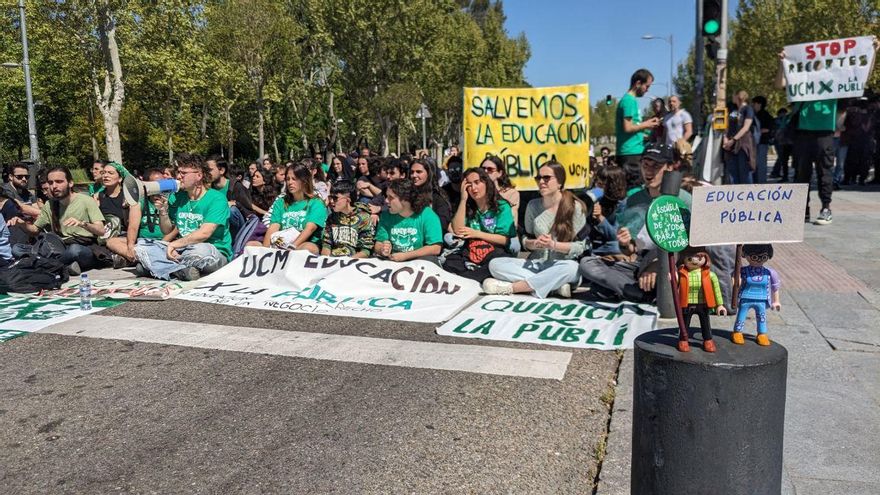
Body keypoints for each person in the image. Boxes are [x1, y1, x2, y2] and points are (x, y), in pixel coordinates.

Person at [774, 38, 879, 223]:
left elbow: (860, 78)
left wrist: (873, 53)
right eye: (813, 65)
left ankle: (825, 208)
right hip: (803, 134)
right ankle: (802, 209)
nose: (816, 68)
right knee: (801, 174)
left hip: (824, 134)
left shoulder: (834, 86)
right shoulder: (802, 85)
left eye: (819, 65)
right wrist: (782, 62)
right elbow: (779, 84)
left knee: (825, 172)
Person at [580, 143, 692, 302]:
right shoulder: (633, 200)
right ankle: (638, 292)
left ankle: (626, 290)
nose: (649, 171)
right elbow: (632, 250)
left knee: (600, 287)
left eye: (656, 166)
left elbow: (692, 247)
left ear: (669, 168)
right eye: (645, 165)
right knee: (587, 264)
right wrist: (625, 244)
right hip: (640, 265)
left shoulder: (684, 200)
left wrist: (657, 264)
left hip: (673, 263)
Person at [483, 161, 586, 299]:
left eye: (547, 178)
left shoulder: (576, 207)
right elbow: (525, 240)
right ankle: (554, 286)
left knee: (574, 269)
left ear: (560, 182)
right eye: (538, 178)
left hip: (561, 264)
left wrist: (553, 245)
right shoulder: (533, 205)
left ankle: (513, 288)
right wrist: (534, 243)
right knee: (495, 264)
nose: (541, 182)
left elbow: (580, 247)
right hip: (536, 264)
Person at [134, 153, 232, 281]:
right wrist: (163, 212)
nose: (178, 177)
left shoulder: (217, 199)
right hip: (182, 248)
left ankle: (159, 268)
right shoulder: (177, 197)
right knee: (142, 246)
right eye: (178, 172)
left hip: (211, 250)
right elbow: (167, 231)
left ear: (199, 175)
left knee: (198, 251)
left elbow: (204, 233)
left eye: (183, 173)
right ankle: (180, 270)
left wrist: (174, 245)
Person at [7, 166, 105, 275]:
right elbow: (35, 230)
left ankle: (45, 265)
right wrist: (22, 224)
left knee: (74, 251)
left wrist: (82, 224)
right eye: (51, 182)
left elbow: (101, 230)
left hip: (83, 247)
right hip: (58, 248)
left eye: (59, 182)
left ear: (70, 183)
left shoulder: (86, 201)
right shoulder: (50, 204)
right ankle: (62, 266)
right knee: (17, 249)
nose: (54, 186)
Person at [443, 167, 515, 281]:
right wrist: (463, 200)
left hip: (494, 251)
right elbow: (457, 230)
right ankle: (472, 277)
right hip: (470, 250)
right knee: (450, 263)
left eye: (477, 183)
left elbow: (504, 240)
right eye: (469, 185)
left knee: (497, 264)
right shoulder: (467, 206)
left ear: (486, 183)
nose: (473, 188)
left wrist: (477, 234)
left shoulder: (502, 206)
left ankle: (468, 279)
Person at [258, 162, 327, 254]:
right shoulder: (281, 202)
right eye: (288, 179)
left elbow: (310, 228)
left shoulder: (316, 203)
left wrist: (292, 247)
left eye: (294, 179)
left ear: (304, 180)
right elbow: (273, 227)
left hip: (305, 244)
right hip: (280, 243)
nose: (290, 182)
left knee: (305, 248)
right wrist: (265, 251)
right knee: (251, 245)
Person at [373, 178, 442, 263]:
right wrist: (382, 249)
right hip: (393, 261)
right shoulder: (386, 215)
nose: (386, 201)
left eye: (391, 197)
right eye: (387, 196)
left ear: (405, 199)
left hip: (420, 263)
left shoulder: (427, 215)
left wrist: (405, 256)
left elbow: (435, 248)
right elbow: (378, 243)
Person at [616, 69, 660, 189]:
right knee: (634, 191)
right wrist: (647, 124)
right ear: (638, 83)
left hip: (633, 151)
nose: (647, 90)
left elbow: (632, 128)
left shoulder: (630, 101)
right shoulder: (628, 101)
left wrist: (646, 130)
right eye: (647, 86)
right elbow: (628, 127)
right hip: (630, 153)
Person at [97, 162, 139, 268]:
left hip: (125, 237)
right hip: (105, 237)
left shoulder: (128, 196)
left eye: (110, 173)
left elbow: (133, 225)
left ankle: (135, 258)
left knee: (112, 244)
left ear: (120, 179)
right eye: (103, 173)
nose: (106, 176)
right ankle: (128, 259)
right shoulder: (98, 196)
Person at [320, 181, 375, 258]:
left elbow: (366, 250)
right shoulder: (332, 217)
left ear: (348, 200)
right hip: (333, 260)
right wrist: (326, 259)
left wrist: (348, 262)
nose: (331, 201)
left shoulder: (364, 218)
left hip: (353, 263)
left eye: (335, 198)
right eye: (330, 197)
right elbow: (327, 244)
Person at [207, 156, 254, 238]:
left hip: (238, 227)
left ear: (221, 170)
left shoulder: (236, 186)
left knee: (231, 210)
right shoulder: (208, 189)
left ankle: (235, 243)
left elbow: (248, 211)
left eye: (210, 170)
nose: (206, 173)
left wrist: (235, 204)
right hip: (217, 224)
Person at [586, 166, 627, 256]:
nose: (597, 186)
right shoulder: (593, 196)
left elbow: (615, 236)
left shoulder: (621, 203)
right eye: (597, 182)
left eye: (601, 184)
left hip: (609, 247)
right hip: (590, 244)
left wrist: (600, 217)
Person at [722, 90, 756, 184]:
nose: (732, 97)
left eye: (734, 95)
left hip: (743, 144)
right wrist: (725, 138)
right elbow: (727, 126)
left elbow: (746, 127)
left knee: (744, 172)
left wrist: (733, 140)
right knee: (733, 173)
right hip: (731, 146)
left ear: (738, 96)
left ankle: (748, 195)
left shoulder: (748, 109)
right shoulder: (734, 111)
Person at [409, 159, 452, 234]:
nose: (414, 175)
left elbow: (442, 224)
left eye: (419, 172)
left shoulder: (438, 196)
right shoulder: (407, 194)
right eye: (412, 172)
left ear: (428, 173)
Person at [480, 155, 520, 227]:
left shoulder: (511, 193)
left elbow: (510, 220)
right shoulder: (476, 192)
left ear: (499, 173)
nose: (485, 171)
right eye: (482, 169)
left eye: (490, 169)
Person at [752, 95, 775, 183]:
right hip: (754, 143)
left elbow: (769, 128)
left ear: (759, 104)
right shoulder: (753, 114)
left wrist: (758, 131)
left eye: (754, 103)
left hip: (762, 142)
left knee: (761, 164)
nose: (752, 105)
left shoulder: (765, 115)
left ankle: (761, 183)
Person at [771, 108, 793, 182]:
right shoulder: (782, 119)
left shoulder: (786, 118)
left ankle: (779, 173)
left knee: (783, 159)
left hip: (784, 141)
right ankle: (777, 173)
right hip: (783, 141)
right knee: (782, 158)